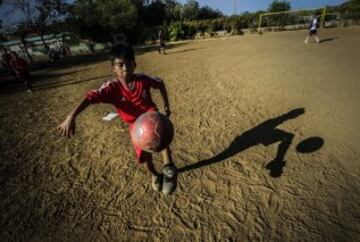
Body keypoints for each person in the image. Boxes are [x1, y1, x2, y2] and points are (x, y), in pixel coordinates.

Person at [57, 43, 177, 195]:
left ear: (134, 64)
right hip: (135, 125)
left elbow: (160, 84)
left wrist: (166, 106)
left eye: (128, 63)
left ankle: (169, 168)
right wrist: (71, 116)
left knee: (159, 130)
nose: (125, 68)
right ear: (113, 69)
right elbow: (89, 97)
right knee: (145, 157)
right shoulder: (111, 88)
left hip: (149, 114)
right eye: (120, 65)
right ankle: (155, 175)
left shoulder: (143, 79)